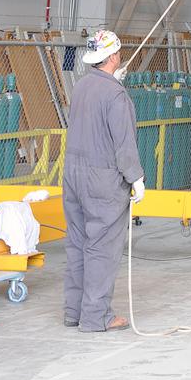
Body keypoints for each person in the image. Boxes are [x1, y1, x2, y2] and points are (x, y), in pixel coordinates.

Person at [62, 30, 144, 332]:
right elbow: (123, 143)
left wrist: (112, 83)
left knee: (78, 243)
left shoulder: (82, 86)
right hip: (102, 180)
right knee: (101, 247)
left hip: (73, 174)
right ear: (113, 57)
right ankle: (96, 316)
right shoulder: (116, 95)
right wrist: (136, 179)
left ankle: (74, 311)